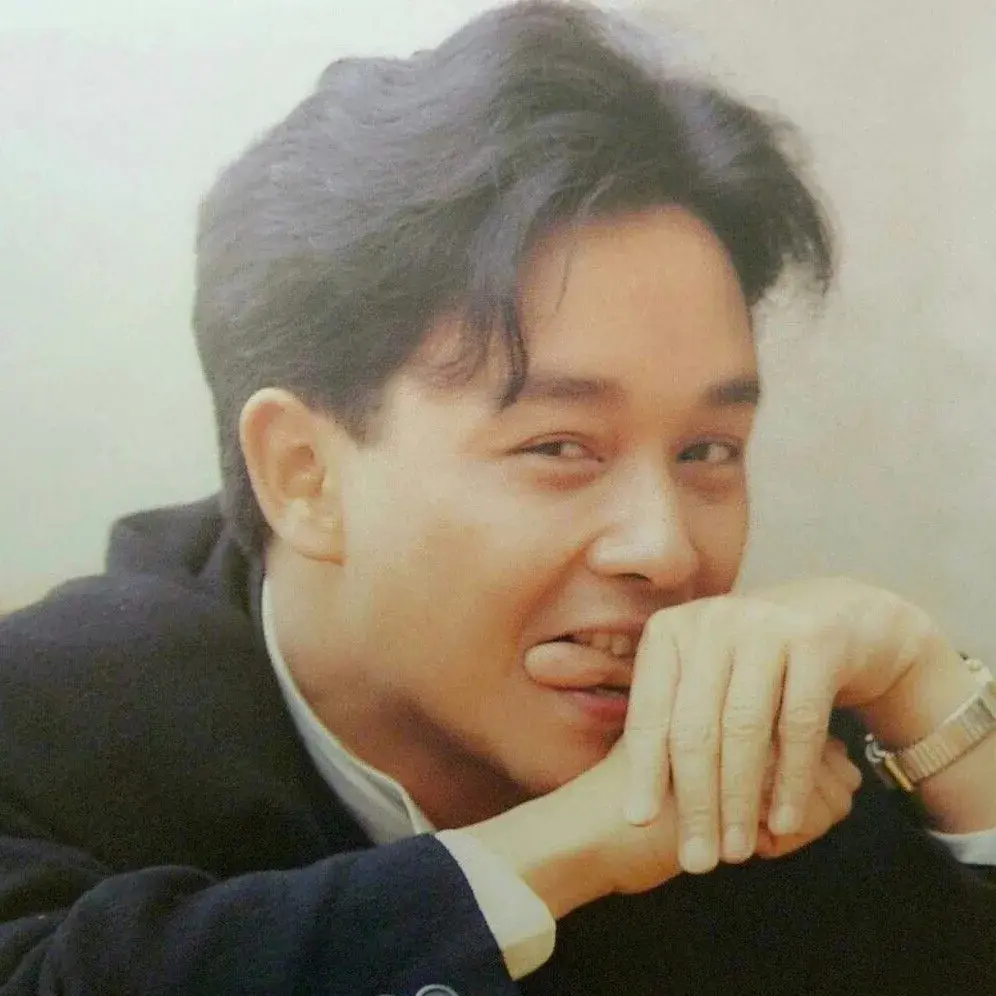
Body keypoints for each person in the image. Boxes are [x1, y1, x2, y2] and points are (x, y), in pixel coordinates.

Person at [1, 2, 994, 993]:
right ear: (305, 474)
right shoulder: (43, 731)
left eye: (708, 450)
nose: (665, 550)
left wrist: (925, 690)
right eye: (560, 446)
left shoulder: (763, 752)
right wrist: (566, 850)